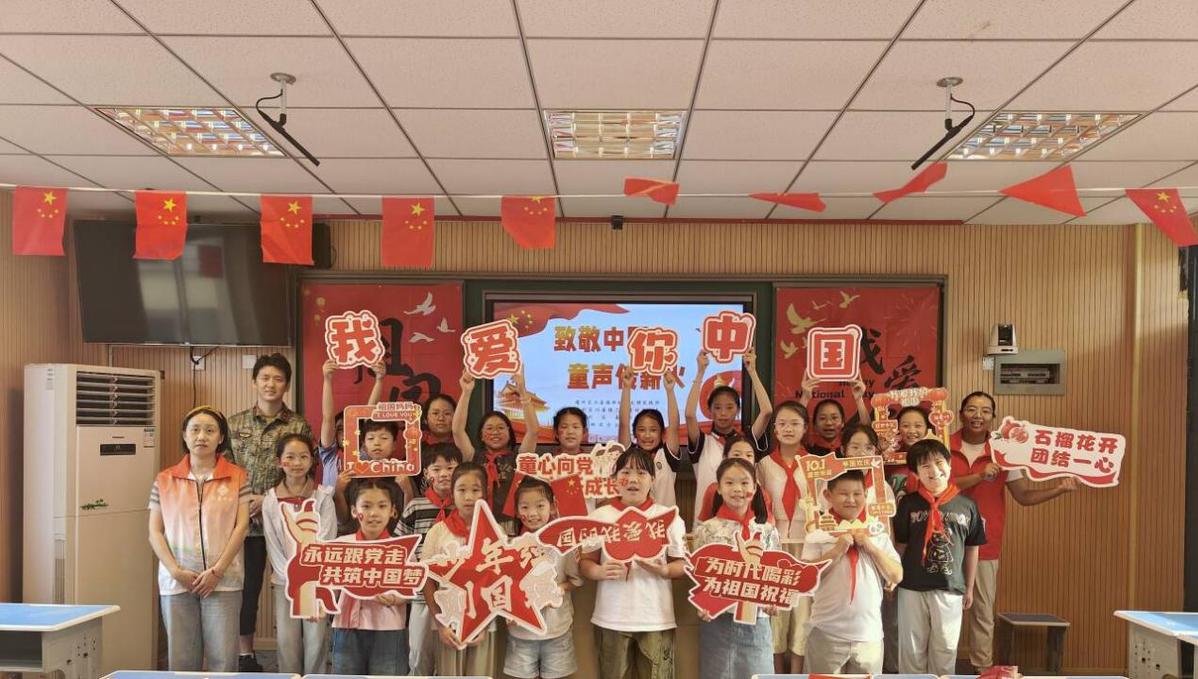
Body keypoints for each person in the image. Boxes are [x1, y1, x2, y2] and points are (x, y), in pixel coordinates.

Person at [949, 391, 1078, 672]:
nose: (978, 415)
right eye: (971, 409)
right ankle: (939, 669)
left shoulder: (1005, 452)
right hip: (943, 541)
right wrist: (980, 476)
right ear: (960, 414)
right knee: (941, 609)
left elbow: (1024, 496)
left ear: (993, 417)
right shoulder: (943, 446)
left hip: (985, 543)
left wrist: (1058, 489)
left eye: (985, 410)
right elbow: (942, 488)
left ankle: (982, 669)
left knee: (983, 611)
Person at [225, 353, 313, 671]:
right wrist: (245, 500)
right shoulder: (234, 423)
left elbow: (305, 470)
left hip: (286, 522)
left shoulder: (298, 425)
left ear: (286, 385)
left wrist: (269, 499)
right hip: (243, 522)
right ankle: (245, 653)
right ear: (254, 382)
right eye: (265, 378)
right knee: (246, 590)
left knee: (290, 586)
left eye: (278, 379)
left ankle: (294, 655)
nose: (270, 384)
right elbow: (224, 470)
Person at [148, 406, 250, 671]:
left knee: (223, 660)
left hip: (224, 580)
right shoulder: (165, 479)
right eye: (195, 430)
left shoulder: (238, 476)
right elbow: (154, 531)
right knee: (182, 660)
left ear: (221, 437)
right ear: (184, 435)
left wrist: (217, 571)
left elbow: (242, 527)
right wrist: (175, 571)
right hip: (177, 580)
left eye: (210, 430)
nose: (201, 436)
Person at [580, 447, 687, 679]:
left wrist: (664, 570)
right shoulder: (600, 517)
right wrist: (598, 571)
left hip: (656, 618)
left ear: (653, 479)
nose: (633, 479)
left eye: (641, 473)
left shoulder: (669, 517)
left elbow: (681, 565)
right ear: (614, 479)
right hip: (611, 616)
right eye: (626, 472)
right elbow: (586, 562)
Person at [894, 439, 986, 675]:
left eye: (939, 462)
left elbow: (972, 548)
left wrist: (969, 587)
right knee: (911, 649)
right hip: (911, 586)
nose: (934, 470)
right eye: (925, 466)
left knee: (945, 649)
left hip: (950, 587)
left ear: (949, 464)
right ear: (916, 473)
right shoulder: (908, 504)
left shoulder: (967, 505)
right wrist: (892, 580)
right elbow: (900, 545)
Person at [801, 471, 903, 674]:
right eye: (843, 494)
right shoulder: (817, 534)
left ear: (866, 495)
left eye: (857, 494)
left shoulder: (877, 532)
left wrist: (871, 547)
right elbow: (805, 578)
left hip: (869, 635)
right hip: (826, 631)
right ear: (828, 496)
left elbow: (896, 575)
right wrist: (835, 551)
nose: (851, 500)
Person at [692, 458, 779, 679]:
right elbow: (699, 575)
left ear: (755, 488)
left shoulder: (767, 531)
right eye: (729, 483)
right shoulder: (706, 530)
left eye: (744, 483)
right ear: (719, 488)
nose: (737, 489)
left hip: (756, 620)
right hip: (717, 621)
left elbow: (775, 576)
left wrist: (774, 600)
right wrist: (703, 603)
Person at [261, 433, 336, 674]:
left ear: (311, 461)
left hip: (316, 580)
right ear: (279, 461)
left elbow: (326, 539)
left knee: (316, 639)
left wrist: (309, 576)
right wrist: (291, 576)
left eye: (303, 457)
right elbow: (272, 543)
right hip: (284, 581)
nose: (297, 463)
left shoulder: (322, 496)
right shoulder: (271, 500)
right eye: (290, 457)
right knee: (287, 640)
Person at [422, 462, 497, 675]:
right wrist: (440, 623)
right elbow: (427, 579)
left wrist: (484, 624)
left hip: (483, 625)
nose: (468, 497)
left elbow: (499, 581)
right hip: (448, 623)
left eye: (475, 490)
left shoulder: (495, 532)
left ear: (485, 493)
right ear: (452, 493)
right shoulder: (438, 532)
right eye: (462, 490)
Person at [685, 347, 773, 529]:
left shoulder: (744, 442)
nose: (723, 413)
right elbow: (689, 415)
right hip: (707, 525)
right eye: (717, 408)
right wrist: (700, 372)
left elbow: (766, 411)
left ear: (738, 410)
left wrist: (752, 371)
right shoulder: (703, 442)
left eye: (729, 407)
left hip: (744, 523)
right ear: (709, 411)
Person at [504, 477, 582, 679]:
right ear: (516, 510)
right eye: (525, 507)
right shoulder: (510, 546)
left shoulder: (564, 543)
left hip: (556, 629)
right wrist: (507, 609)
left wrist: (558, 589)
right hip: (521, 632)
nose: (532, 513)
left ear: (553, 506)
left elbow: (575, 580)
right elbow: (503, 585)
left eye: (540, 506)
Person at [330, 477, 409, 675]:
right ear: (354, 510)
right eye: (366, 506)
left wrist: (396, 598)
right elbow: (329, 585)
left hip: (388, 627)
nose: (373, 513)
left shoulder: (403, 548)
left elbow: (411, 587)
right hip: (346, 626)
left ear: (393, 511)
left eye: (382, 506)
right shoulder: (341, 544)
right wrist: (320, 604)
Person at [755, 400, 811, 672]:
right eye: (783, 424)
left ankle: (797, 674)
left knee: (803, 615)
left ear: (805, 428)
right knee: (776, 614)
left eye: (795, 423)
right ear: (775, 430)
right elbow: (759, 507)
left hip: (807, 547)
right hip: (774, 548)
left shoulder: (816, 465)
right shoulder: (763, 465)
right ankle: (775, 674)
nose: (788, 429)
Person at [398, 442, 462, 675]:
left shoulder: (465, 506)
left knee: (451, 653)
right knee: (418, 654)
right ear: (426, 473)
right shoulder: (416, 506)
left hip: (455, 595)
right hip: (421, 595)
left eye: (450, 468)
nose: (444, 474)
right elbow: (401, 546)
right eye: (436, 469)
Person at [452, 369, 539, 535]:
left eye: (500, 428)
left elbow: (533, 431)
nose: (495, 432)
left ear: (510, 433)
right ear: (481, 435)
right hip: (476, 525)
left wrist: (522, 391)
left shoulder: (520, 459)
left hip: (511, 529)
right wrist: (466, 392)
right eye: (489, 428)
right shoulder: (473, 457)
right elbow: (457, 431)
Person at [618, 366, 682, 507]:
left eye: (653, 430)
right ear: (635, 433)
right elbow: (623, 424)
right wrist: (626, 387)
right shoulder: (629, 455)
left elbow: (674, 426)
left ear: (662, 433)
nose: (647, 435)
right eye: (642, 430)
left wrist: (670, 391)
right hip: (634, 518)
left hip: (663, 519)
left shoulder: (667, 455)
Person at [316, 358, 385, 488]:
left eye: (351, 428)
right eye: (340, 429)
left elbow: (369, 414)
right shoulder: (329, 456)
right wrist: (327, 379)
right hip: (330, 502)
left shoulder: (364, 453)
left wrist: (379, 380)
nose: (345, 433)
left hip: (362, 501)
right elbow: (328, 418)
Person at [694, 433, 775, 523]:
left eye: (749, 455)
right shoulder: (713, 490)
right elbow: (704, 523)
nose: (743, 459)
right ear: (725, 458)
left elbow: (768, 523)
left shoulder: (762, 493)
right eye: (736, 454)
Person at [798, 377, 871, 456]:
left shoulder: (850, 450)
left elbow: (867, 431)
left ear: (843, 422)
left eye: (834, 417)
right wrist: (805, 398)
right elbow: (794, 427)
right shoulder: (808, 451)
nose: (829, 423)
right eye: (822, 418)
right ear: (815, 425)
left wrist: (859, 399)